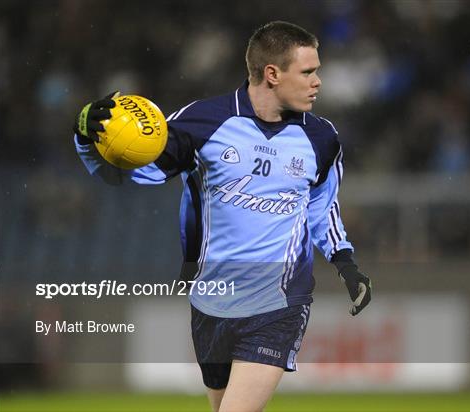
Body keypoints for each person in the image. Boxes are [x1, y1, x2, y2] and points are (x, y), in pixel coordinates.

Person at [74, 21, 371, 412]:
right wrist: (86, 136)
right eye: (308, 72)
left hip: (279, 301)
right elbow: (129, 173)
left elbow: (321, 206)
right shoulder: (203, 122)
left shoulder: (322, 139)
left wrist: (344, 261)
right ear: (272, 74)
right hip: (211, 300)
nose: (318, 81)